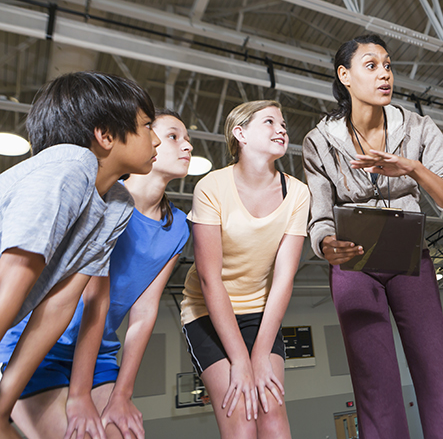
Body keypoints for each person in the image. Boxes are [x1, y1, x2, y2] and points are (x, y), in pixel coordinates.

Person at [302, 34, 443, 439]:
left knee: (436, 372)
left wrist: (414, 169)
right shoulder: (319, 141)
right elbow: (320, 217)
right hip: (353, 264)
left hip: (411, 258)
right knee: (374, 384)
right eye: (372, 65)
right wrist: (327, 245)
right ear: (344, 76)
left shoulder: (418, 127)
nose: (385, 74)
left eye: (388, 65)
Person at [0, 109, 192, 439]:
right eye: (173, 135)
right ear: (149, 140)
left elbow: (144, 313)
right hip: (39, 344)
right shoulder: (108, 201)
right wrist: (80, 396)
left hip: (99, 354)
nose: (186, 145)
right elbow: (92, 300)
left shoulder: (178, 229)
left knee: (125, 433)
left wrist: (122, 394)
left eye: (188, 139)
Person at [181, 100, 308, 439]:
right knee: (241, 413)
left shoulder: (297, 193)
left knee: (272, 411)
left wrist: (261, 352)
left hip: (259, 312)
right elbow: (209, 279)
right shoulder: (211, 187)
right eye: (269, 122)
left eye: (282, 123)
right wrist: (240, 359)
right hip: (207, 312)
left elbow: (283, 277)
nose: (281, 129)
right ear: (240, 134)